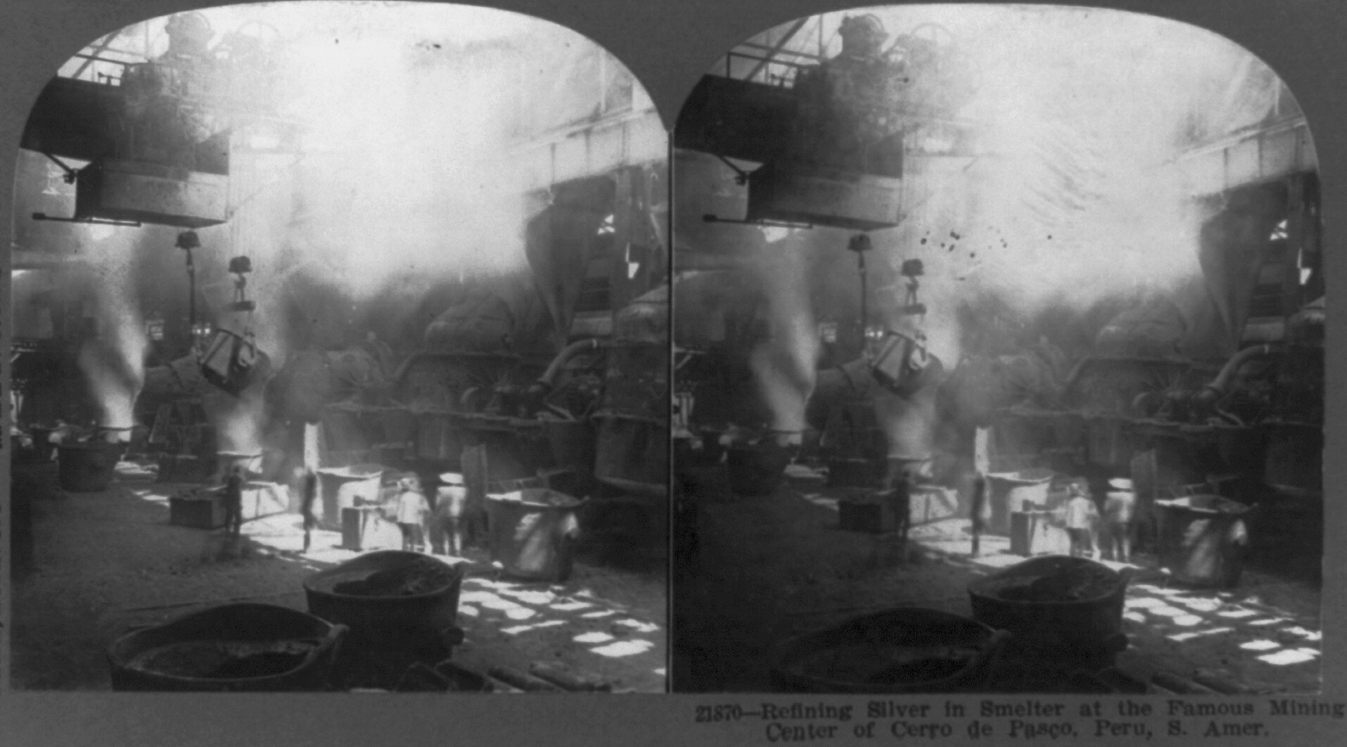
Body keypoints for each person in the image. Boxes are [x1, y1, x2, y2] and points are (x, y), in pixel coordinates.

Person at [1102, 477, 1137, 563]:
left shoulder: (1110, 495)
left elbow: (1106, 508)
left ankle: (1110, 556)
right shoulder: (1131, 496)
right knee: (1122, 540)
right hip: (1124, 520)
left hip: (1111, 520)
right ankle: (1123, 558)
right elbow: (1132, 509)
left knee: (1111, 539)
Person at [395, 475, 430, 553]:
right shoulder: (417, 497)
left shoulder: (403, 496)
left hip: (403, 520)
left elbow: (400, 508)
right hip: (413, 520)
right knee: (414, 539)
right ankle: (413, 552)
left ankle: (403, 552)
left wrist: (399, 520)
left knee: (405, 538)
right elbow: (421, 508)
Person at [1064, 483, 1098, 558]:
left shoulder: (1070, 502)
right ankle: (1079, 558)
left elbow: (1066, 513)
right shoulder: (1084, 501)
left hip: (1069, 525)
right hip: (1079, 525)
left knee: (1073, 543)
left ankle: (1071, 558)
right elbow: (1087, 513)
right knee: (1081, 544)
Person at [222, 467, 244, 538]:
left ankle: (227, 531)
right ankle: (236, 532)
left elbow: (228, 488)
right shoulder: (239, 479)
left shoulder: (232, 478)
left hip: (231, 500)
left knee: (229, 516)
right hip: (236, 500)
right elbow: (238, 491)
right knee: (237, 517)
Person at [301, 468, 318, 554]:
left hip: (309, 509)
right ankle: (307, 547)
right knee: (308, 529)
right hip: (309, 509)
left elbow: (308, 500)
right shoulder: (312, 490)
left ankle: (307, 548)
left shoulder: (310, 491)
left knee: (308, 529)